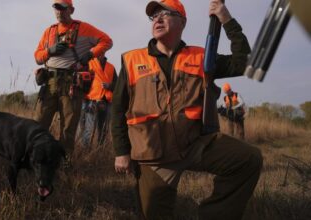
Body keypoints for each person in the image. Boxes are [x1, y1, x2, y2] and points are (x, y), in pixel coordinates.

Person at [111, 0, 263, 219]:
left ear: (182, 21)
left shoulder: (202, 58)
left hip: (195, 145)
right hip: (153, 156)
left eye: (165, 14)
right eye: (154, 16)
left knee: (249, 159)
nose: (158, 19)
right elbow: (117, 110)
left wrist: (225, 18)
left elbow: (245, 61)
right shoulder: (132, 60)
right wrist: (121, 152)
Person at [34, 0, 112, 167]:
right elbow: (37, 57)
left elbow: (107, 41)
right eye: (56, 8)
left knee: (68, 129)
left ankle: (63, 165)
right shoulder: (49, 31)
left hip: (71, 83)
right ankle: (36, 161)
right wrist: (50, 51)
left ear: (71, 10)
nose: (59, 12)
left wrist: (89, 55)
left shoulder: (84, 28)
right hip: (50, 82)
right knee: (38, 124)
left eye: (63, 8)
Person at [78, 55, 117, 147]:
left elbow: (117, 83)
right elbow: (80, 80)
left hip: (106, 101)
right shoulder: (88, 63)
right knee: (89, 129)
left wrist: (109, 86)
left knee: (104, 129)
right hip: (91, 100)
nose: (101, 51)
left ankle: (100, 151)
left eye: (103, 49)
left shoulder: (111, 67)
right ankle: (85, 151)